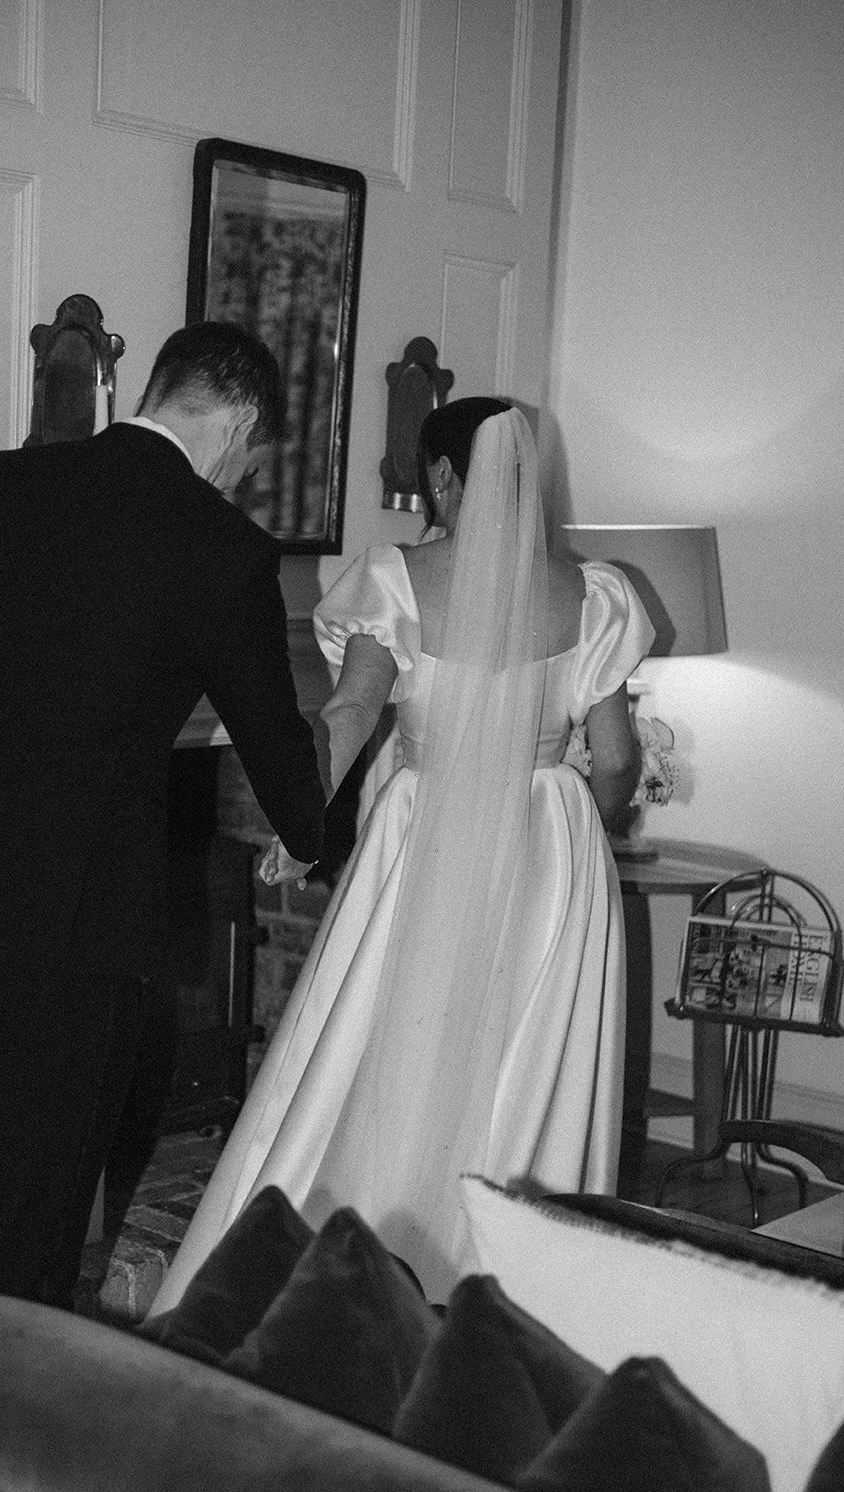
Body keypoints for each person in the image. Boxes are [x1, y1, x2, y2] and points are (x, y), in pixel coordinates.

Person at [0, 321, 327, 1492]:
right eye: (250, 456)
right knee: (39, 1191)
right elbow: (276, 742)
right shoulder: (217, 544)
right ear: (237, 423)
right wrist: (324, 832)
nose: (242, 477)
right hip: (65, 918)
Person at [147, 397, 655, 1320]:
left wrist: (299, 832)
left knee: (386, 1038)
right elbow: (616, 760)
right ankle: (511, 1291)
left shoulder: (395, 578)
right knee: (522, 1051)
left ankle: (351, 1264)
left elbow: (346, 717)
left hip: (419, 833)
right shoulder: (597, 594)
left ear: (444, 476)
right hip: (549, 842)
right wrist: (589, 824)